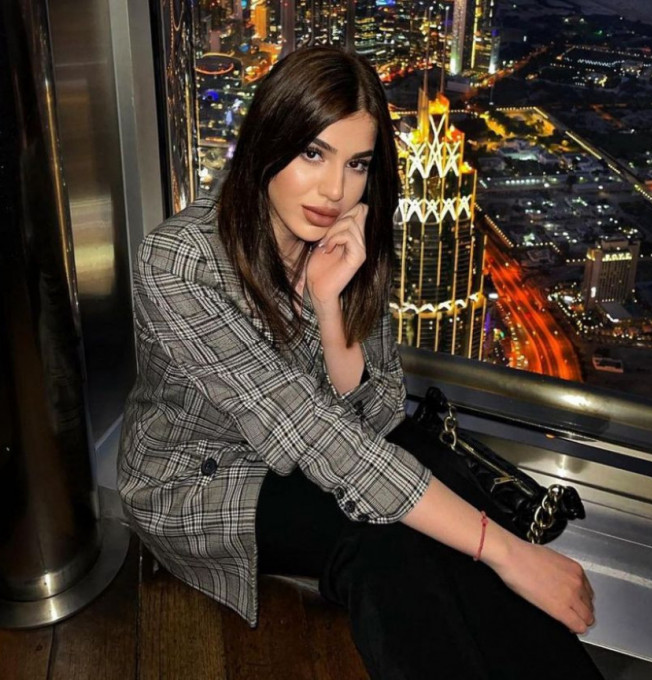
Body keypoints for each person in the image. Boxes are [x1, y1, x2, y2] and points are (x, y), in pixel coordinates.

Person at [118, 46, 604, 679]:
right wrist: (509, 553)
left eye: (357, 164)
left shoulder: (344, 241)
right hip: (199, 480)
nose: (334, 190)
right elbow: (312, 430)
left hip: (311, 453)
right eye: (312, 153)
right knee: (388, 538)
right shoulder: (179, 261)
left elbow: (378, 417)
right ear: (268, 141)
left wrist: (330, 307)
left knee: (434, 495)